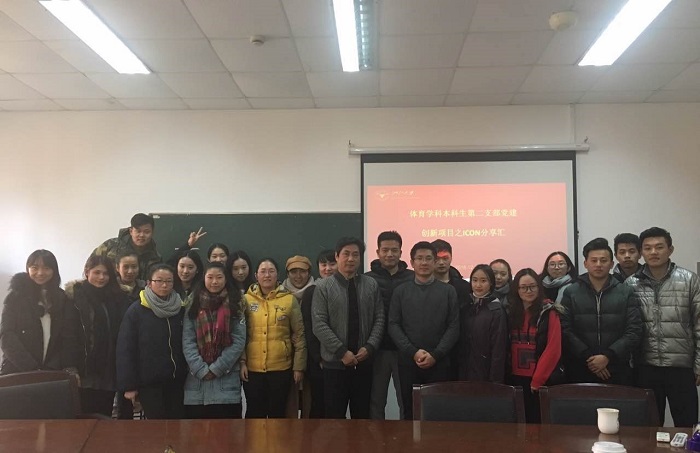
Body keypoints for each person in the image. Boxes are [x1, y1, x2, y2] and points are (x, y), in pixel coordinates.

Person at [626, 227, 700, 427]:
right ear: (641, 252)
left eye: (659, 247)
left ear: (670, 249)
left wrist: (698, 364)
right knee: (648, 428)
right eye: (648, 248)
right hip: (645, 366)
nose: (653, 252)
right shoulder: (631, 284)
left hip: (681, 367)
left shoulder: (689, 280)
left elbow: (698, 324)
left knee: (686, 426)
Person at [312, 237, 384, 419]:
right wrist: (342, 352)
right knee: (334, 419)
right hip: (334, 365)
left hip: (363, 363)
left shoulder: (371, 284)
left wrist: (369, 347)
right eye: (346, 254)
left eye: (355, 255)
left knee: (362, 418)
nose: (351, 259)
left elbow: (379, 318)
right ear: (337, 257)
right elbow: (319, 324)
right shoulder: (323, 287)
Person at [388, 241, 459, 420]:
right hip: (408, 361)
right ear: (412, 263)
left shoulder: (448, 291)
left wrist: (436, 354)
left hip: (439, 362)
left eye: (428, 258)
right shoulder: (401, 291)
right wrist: (413, 352)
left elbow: (453, 326)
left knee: (438, 413)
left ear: (434, 262)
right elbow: (393, 324)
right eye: (419, 258)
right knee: (409, 411)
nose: (424, 262)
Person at [560, 238, 642, 386]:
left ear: (611, 264)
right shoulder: (571, 292)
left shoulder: (626, 291)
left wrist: (607, 356)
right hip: (580, 367)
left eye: (603, 260)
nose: (598, 264)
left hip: (616, 367)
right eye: (594, 260)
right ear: (585, 263)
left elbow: (634, 330)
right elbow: (564, 329)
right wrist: (590, 358)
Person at [116, 264, 187, 419]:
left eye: (169, 281)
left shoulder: (180, 309)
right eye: (159, 281)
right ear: (149, 283)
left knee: (177, 425)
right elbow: (125, 350)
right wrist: (129, 386)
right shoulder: (137, 310)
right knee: (156, 427)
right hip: (149, 383)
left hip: (177, 381)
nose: (164, 285)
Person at [240, 258, 306, 418]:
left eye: (271, 271)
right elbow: (240, 334)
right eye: (263, 271)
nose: (267, 275)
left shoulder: (289, 300)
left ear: (278, 275)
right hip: (252, 369)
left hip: (281, 368)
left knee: (278, 414)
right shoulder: (246, 300)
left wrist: (299, 366)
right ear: (256, 275)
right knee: (254, 414)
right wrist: (242, 362)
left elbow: (299, 335)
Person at [66, 254, 131, 416]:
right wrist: (72, 368)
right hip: (84, 369)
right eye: (97, 272)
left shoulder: (118, 298)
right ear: (87, 272)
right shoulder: (75, 297)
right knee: (83, 417)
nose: (102, 277)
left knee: (105, 417)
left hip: (109, 370)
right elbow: (69, 336)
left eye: (106, 273)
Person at [0, 250, 81, 376]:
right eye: (34, 267)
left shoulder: (63, 299)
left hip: (53, 371)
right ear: (28, 269)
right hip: (17, 370)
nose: (40, 273)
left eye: (46, 268)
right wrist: (31, 368)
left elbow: (68, 337)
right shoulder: (15, 298)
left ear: (54, 270)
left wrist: (54, 367)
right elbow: (6, 335)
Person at [182, 261, 246, 419]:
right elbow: (187, 340)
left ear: (226, 279)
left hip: (226, 383)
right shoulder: (192, 302)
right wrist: (201, 370)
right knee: (196, 432)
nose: (214, 281)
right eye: (210, 277)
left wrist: (217, 368)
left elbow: (238, 341)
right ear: (203, 278)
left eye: (219, 277)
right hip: (197, 383)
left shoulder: (236, 303)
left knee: (227, 432)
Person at [365, 231, 414, 420]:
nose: (390, 254)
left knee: (406, 400)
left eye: (394, 250)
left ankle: (406, 437)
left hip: (405, 349)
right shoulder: (367, 279)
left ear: (401, 252)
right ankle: (375, 437)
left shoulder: (412, 278)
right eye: (385, 250)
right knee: (376, 401)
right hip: (377, 350)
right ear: (378, 252)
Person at [507, 268, 563, 423]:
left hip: (539, 380)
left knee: (537, 425)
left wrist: (538, 380)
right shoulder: (510, 311)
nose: (529, 291)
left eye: (532, 286)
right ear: (516, 289)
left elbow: (553, 349)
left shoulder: (549, 312)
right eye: (524, 287)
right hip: (513, 379)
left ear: (539, 287)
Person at [300, 250, 337, 418]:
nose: (328, 268)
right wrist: (318, 357)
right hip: (318, 359)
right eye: (323, 265)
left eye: (332, 264)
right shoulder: (311, 292)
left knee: (335, 406)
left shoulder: (346, 289)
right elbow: (308, 327)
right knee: (318, 404)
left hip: (339, 357)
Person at [458, 264, 507, 383]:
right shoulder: (466, 307)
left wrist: (494, 381)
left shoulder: (496, 310)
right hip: (464, 370)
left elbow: (498, 349)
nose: (478, 285)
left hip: (484, 371)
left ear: (491, 283)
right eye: (474, 280)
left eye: (483, 281)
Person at [431, 239, 471, 380]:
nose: (441, 263)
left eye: (445, 258)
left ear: (451, 258)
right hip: (432, 350)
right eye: (437, 259)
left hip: (459, 351)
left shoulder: (465, 287)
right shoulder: (423, 287)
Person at [93, 213, 162, 281]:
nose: (141, 235)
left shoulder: (155, 257)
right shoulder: (110, 245)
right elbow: (91, 266)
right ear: (131, 231)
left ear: (152, 233)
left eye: (146, 232)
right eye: (138, 231)